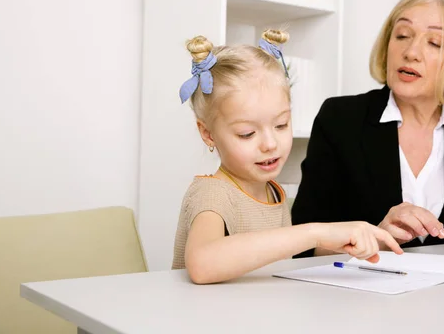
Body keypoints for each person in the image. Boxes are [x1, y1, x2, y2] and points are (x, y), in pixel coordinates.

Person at [291, 0, 444, 257]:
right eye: (402, 35)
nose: (411, 51)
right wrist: (375, 239)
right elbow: (304, 239)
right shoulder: (340, 117)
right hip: (361, 294)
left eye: (434, 42)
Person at [171, 29, 403, 284]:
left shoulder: (272, 192)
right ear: (208, 134)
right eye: (247, 134)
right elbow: (203, 265)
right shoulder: (212, 193)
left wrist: (352, 239)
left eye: (281, 125)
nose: (270, 144)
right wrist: (315, 232)